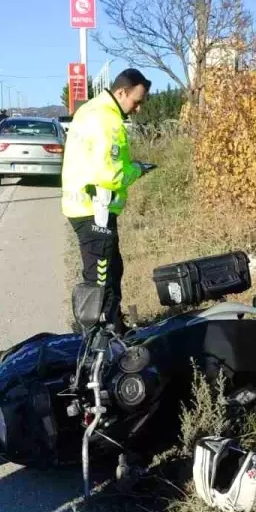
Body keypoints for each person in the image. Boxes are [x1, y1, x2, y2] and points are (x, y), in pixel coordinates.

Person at [61, 68, 152, 332]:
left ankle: (112, 327)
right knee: (102, 280)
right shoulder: (107, 120)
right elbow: (110, 174)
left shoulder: (90, 109)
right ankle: (100, 337)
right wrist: (137, 170)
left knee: (110, 269)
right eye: (136, 101)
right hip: (94, 210)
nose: (137, 109)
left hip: (84, 206)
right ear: (121, 92)